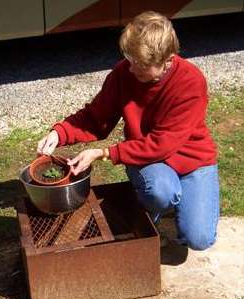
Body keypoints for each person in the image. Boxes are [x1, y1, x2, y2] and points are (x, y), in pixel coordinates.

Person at [37, 11, 220, 251]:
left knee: (199, 238)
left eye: (142, 66)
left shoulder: (190, 82)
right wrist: (59, 133)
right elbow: (96, 118)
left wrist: (103, 153)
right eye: (130, 60)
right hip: (149, 162)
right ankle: (161, 203)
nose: (132, 69)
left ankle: (181, 201)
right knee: (160, 190)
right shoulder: (123, 73)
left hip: (192, 160)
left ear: (168, 59)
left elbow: (162, 144)